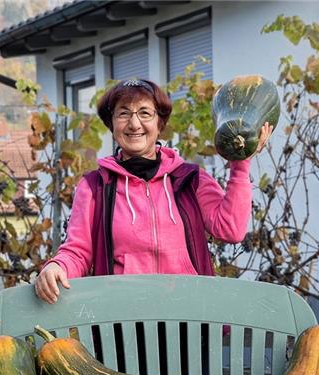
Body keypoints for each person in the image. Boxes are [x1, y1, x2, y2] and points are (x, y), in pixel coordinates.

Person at [34, 78, 272, 304]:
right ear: (112, 124)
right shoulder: (95, 186)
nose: (134, 124)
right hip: (123, 321)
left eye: (145, 113)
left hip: (187, 316)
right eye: (123, 113)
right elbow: (78, 252)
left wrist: (240, 164)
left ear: (160, 124)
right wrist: (57, 266)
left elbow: (230, 229)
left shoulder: (189, 178)